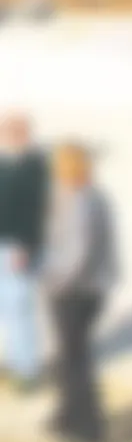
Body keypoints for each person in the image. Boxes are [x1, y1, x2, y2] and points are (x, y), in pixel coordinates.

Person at [37, 141, 118, 442]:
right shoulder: (88, 197)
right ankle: (69, 414)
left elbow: (75, 254)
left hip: (75, 290)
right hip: (88, 288)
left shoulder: (78, 200)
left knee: (76, 357)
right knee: (71, 354)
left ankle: (87, 426)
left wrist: (53, 281)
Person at [0, 112, 48, 392]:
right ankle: (16, 361)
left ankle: (28, 370)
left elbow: (35, 210)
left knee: (20, 308)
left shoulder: (33, 166)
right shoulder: (7, 163)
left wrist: (25, 246)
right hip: (4, 245)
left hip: (20, 249)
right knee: (7, 308)